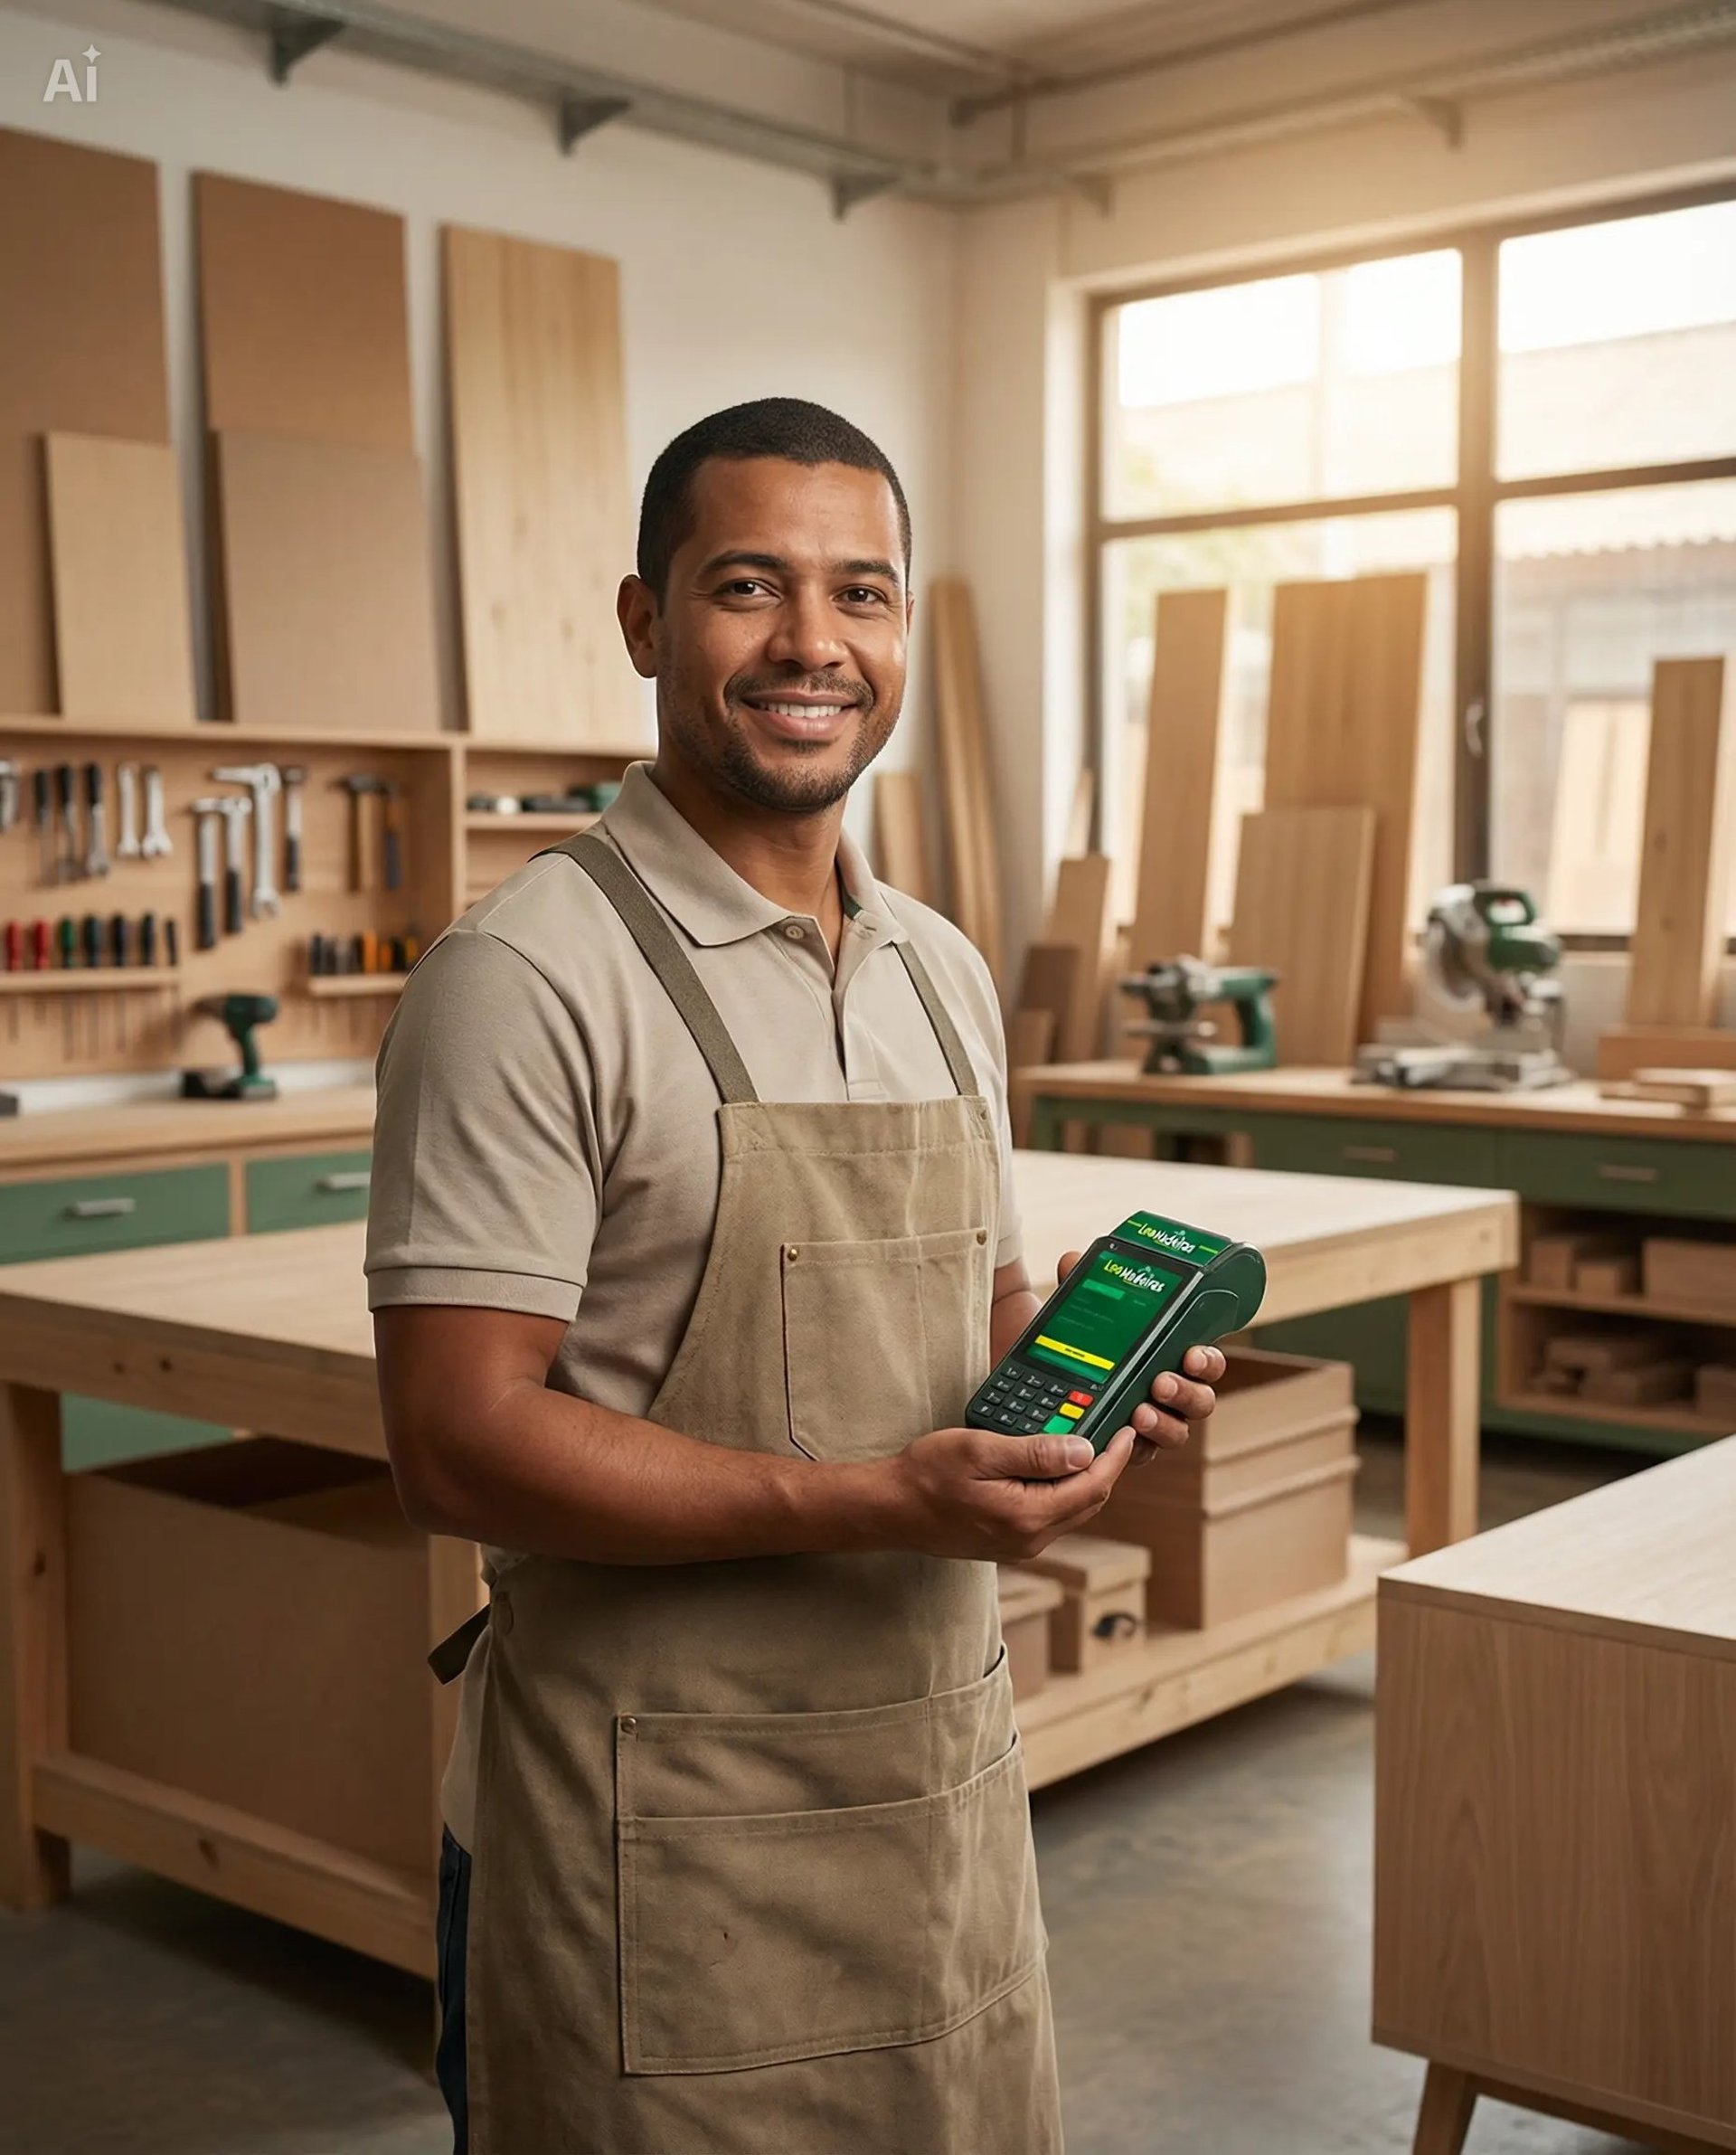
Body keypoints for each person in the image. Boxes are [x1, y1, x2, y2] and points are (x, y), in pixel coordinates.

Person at [366, 396, 1223, 2155]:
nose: (814, 642)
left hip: (935, 1805)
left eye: (864, 593)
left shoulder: (936, 971)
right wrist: (873, 1496)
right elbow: (453, 1443)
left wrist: (1079, 1389)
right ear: (645, 622)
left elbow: (968, 1317)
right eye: (749, 586)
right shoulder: (526, 977)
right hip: (646, 1844)